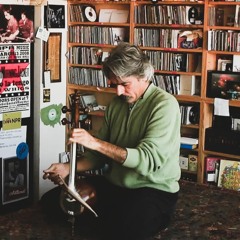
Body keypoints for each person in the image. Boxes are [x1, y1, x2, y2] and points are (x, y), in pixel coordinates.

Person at [42, 42, 181, 240]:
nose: (118, 92)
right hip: (116, 184)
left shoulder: (164, 105)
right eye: (114, 85)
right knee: (51, 203)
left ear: (143, 76)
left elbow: (146, 162)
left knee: (124, 229)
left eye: (125, 84)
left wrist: (95, 142)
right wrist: (68, 167)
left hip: (152, 188)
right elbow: (99, 157)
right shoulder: (117, 104)